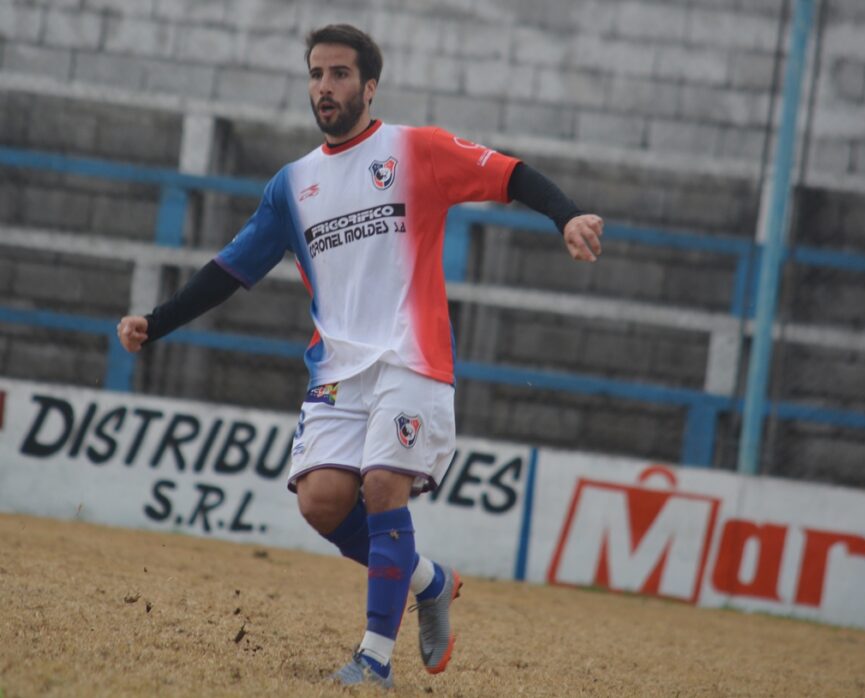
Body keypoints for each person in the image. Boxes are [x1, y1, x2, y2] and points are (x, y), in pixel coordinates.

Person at [117, 24, 603, 689]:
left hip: (411, 360)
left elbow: (509, 173)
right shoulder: (293, 185)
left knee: (381, 487)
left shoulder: (416, 150)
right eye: (316, 74)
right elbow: (231, 270)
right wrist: (158, 321)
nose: (325, 86)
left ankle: (374, 659)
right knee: (321, 502)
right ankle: (430, 580)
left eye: (340, 74)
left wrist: (566, 216)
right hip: (338, 373)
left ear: (369, 87)